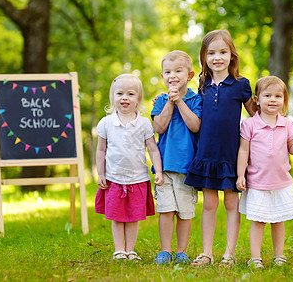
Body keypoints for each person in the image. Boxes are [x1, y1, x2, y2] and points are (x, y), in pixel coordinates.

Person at [186, 30, 256, 266]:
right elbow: (191, 108)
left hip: (230, 155)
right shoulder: (203, 84)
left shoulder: (241, 85)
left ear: (232, 56)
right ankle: (207, 253)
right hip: (206, 154)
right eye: (212, 53)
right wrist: (163, 99)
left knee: (231, 203)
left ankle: (229, 253)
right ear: (204, 57)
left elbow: (256, 114)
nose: (217, 57)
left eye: (223, 52)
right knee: (209, 204)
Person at [236, 76, 293, 269]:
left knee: (278, 220)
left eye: (278, 96)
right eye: (267, 95)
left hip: (281, 182)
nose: (273, 100)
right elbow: (243, 151)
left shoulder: (287, 124)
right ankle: (255, 257)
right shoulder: (249, 124)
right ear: (257, 98)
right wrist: (241, 175)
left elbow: (292, 148)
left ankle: (278, 255)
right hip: (258, 182)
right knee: (258, 220)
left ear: (284, 100)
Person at [95, 74, 164, 262]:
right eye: (120, 93)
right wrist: (101, 173)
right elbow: (101, 150)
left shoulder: (143, 123)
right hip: (114, 179)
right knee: (117, 217)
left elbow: (153, 149)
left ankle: (130, 250)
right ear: (113, 97)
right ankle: (119, 250)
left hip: (138, 179)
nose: (125, 97)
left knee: (133, 217)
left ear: (138, 99)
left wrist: (158, 171)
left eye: (130, 94)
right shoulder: (106, 123)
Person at [151, 50, 202, 264]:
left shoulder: (195, 99)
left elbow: (196, 125)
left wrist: (180, 101)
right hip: (164, 167)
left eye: (178, 71)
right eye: (167, 72)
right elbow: (159, 128)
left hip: (187, 167)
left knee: (184, 212)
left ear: (189, 75)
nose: (172, 75)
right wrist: (170, 102)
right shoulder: (160, 101)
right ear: (162, 76)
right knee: (165, 210)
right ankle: (165, 250)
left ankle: (181, 251)